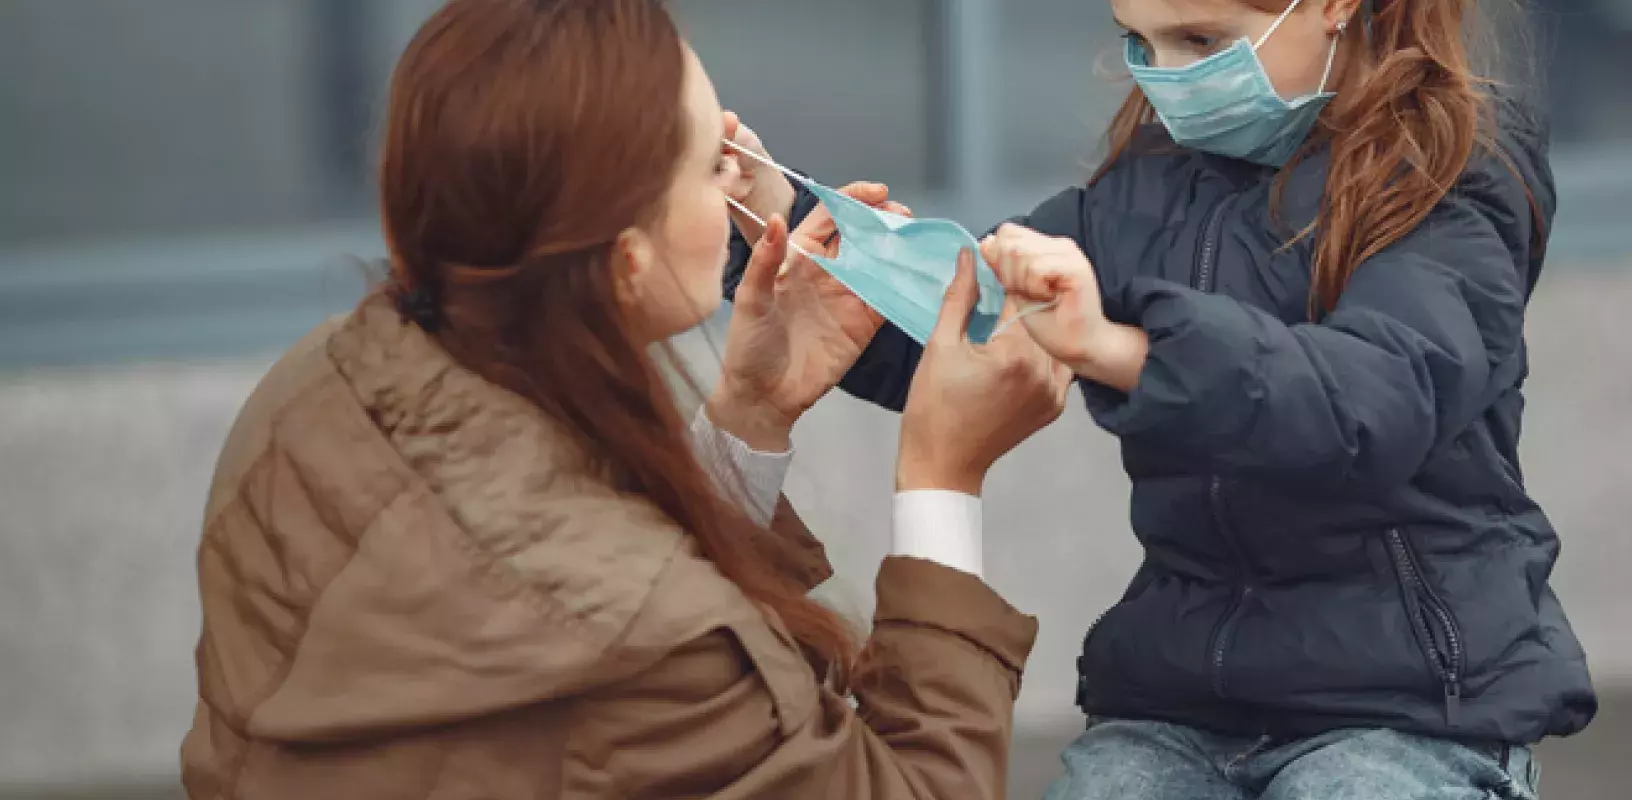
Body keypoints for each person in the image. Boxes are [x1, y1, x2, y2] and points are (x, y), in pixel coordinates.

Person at [179, 1, 1073, 798]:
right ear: (628, 257)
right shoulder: (652, 649)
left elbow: (574, 649)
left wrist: (749, 419)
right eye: (710, 162)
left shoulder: (314, 389)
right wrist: (941, 476)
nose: (743, 179)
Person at [724, 0, 1596, 797]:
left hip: (1410, 706)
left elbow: (1372, 402)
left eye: (1202, 43)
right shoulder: (1143, 185)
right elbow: (965, 326)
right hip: (1181, 698)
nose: (1169, 76)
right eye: (1139, 42)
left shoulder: (1453, 176)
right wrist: (780, 216)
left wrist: (1122, 345)